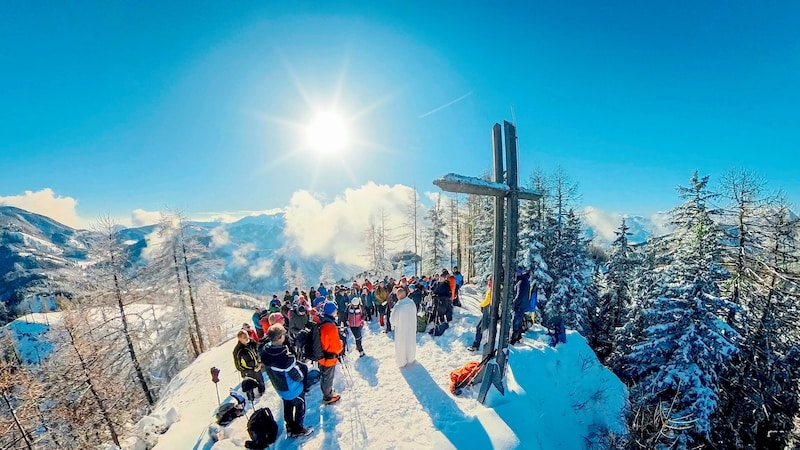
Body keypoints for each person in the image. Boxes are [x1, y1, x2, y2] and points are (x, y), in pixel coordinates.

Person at [260, 324, 313, 438]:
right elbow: (297, 375)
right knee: (300, 406)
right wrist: (302, 377)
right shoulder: (285, 358)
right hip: (293, 389)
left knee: (287, 406)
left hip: (280, 388)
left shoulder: (266, 353)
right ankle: (298, 429)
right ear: (280, 338)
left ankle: (289, 426)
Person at [318, 301, 344, 404]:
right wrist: (341, 343)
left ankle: (327, 393)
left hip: (321, 355)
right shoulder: (330, 326)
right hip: (328, 358)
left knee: (324, 376)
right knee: (328, 378)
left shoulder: (322, 321)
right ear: (332, 311)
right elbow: (337, 347)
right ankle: (328, 397)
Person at [233, 330, 265, 400]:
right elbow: (239, 366)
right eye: (244, 337)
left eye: (247, 335)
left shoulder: (252, 342)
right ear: (240, 339)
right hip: (248, 372)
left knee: (261, 382)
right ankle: (252, 400)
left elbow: (257, 353)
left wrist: (259, 363)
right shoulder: (238, 350)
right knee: (250, 387)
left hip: (257, 368)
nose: (247, 338)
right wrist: (251, 369)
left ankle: (263, 395)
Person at [390, 285, 417, 367]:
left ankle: (402, 362)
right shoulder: (412, 303)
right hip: (411, 328)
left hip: (401, 330)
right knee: (410, 343)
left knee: (401, 345)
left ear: (399, 295)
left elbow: (393, 320)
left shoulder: (398, 306)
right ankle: (411, 358)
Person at [468, 278, 493, 351]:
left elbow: (486, 301)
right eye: (488, 281)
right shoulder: (492, 290)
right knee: (480, 328)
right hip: (489, 313)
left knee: (479, 328)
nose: (489, 283)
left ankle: (476, 345)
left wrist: (481, 305)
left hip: (488, 313)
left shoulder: (491, 291)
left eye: (490, 281)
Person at [509, 266, 531, 345]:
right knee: (519, 321)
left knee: (516, 322)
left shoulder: (521, 282)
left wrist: (513, 304)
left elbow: (519, 296)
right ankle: (518, 337)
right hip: (523, 305)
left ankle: (513, 340)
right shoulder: (525, 281)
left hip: (520, 305)